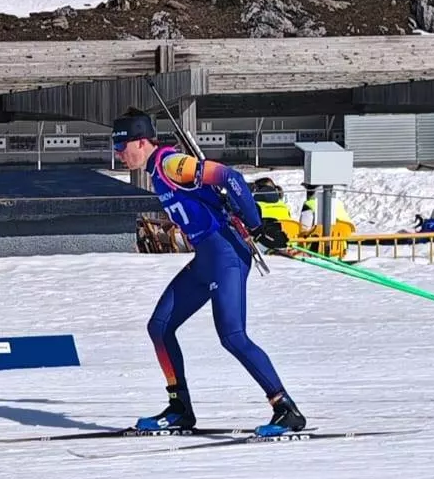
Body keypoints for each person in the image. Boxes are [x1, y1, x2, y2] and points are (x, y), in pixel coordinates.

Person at [113, 110, 305, 436]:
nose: (119, 155)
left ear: (141, 141)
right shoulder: (155, 171)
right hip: (207, 258)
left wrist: (257, 225)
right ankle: (179, 409)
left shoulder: (170, 164)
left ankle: (285, 408)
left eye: (122, 147)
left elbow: (229, 177)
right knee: (159, 327)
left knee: (232, 336)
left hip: (227, 255)